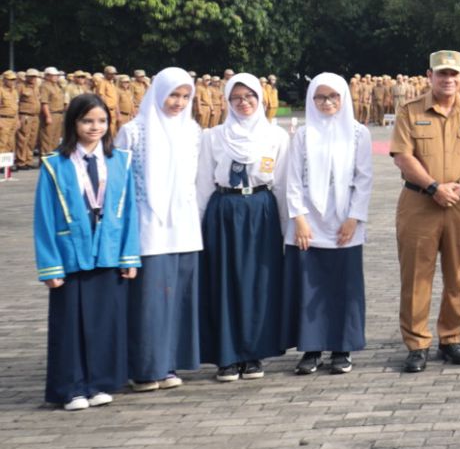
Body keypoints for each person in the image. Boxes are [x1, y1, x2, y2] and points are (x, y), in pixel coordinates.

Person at [34, 94, 141, 409]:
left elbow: (130, 210)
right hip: (72, 253)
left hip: (107, 250)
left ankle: (100, 382)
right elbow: (44, 215)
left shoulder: (120, 160)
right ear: (73, 124)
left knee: (104, 322)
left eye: (101, 121)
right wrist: (50, 266)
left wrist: (129, 255)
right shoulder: (55, 164)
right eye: (87, 121)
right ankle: (72, 387)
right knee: (70, 324)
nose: (95, 127)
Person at [390, 50, 460, 373]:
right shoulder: (410, 111)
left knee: (458, 273)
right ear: (429, 76)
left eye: (453, 74)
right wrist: (434, 186)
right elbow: (403, 156)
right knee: (417, 275)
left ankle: (451, 338)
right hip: (420, 202)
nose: (448, 80)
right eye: (441, 74)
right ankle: (417, 343)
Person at [197, 73, 289, 381]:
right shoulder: (213, 136)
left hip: (260, 210)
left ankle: (253, 353)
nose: (244, 103)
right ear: (227, 101)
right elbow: (202, 183)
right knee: (223, 281)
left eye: (249, 97)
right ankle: (226, 355)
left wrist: (286, 226)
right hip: (224, 210)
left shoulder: (276, 136)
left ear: (261, 99)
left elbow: (283, 184)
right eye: (236, 98)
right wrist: (198, 225)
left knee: (256, 282)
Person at [119, 67, 203, 392]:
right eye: (173, 95)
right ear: (157, 92)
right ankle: (143, 368)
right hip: (147, 226)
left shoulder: (193, 131)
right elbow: (121, 186)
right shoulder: (134, 131)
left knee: (178, 299)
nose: (178, 102)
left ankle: (168, 363)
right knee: (148, 301)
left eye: (185, 96)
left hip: (183, 227)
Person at [282, 73, 372, 376]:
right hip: (310, 222)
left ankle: (341, 348)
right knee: (310, 286)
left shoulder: (358, 133)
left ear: (343, 98)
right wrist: (300, 220)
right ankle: (311, 349)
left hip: (345, 220)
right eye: (320, 97)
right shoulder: (304, 135)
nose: (327, 102)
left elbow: (364, 179)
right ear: (311, 100)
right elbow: (292, 180)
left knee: (343, 287)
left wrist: (353, 217)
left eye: (333, 96)